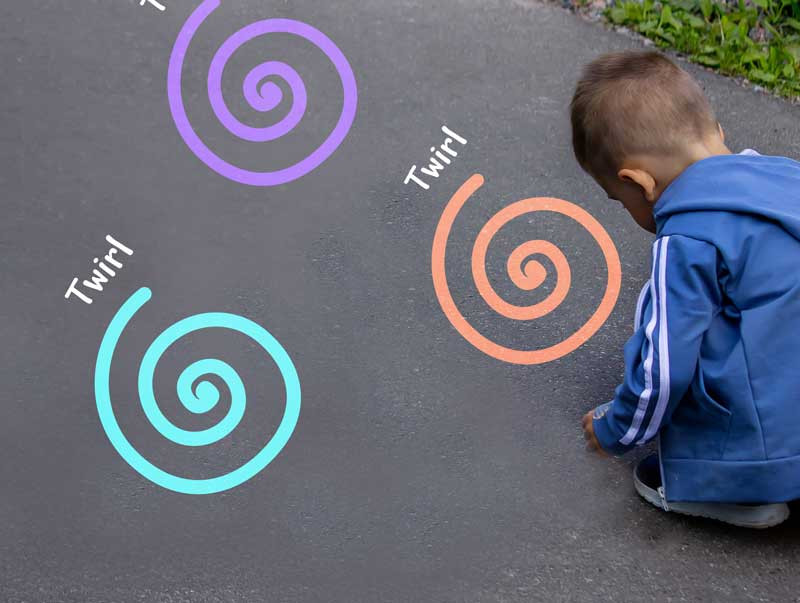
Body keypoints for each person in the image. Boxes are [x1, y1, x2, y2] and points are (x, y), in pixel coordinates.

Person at [571, 50, 800, 528]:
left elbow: (665, 368)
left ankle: (737, 489)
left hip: (774, 445)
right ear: (717, 133)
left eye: (620, 200)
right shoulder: (787, 178)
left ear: (639, 183)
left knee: (675, 322)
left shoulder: (688, 237)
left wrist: (617, 428)